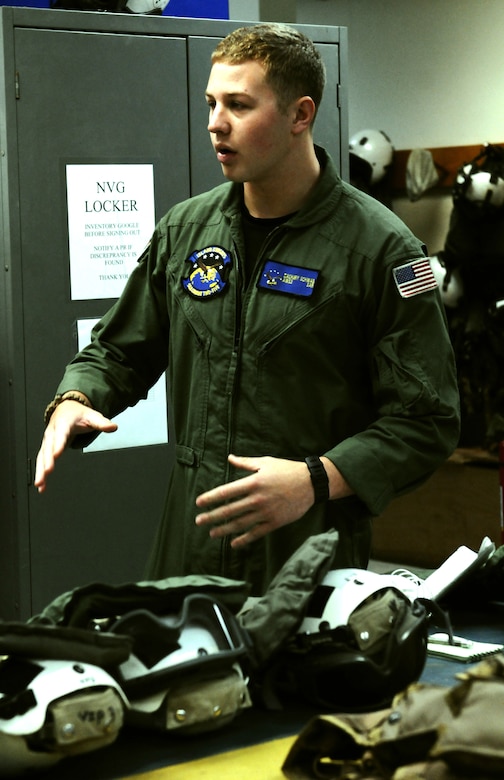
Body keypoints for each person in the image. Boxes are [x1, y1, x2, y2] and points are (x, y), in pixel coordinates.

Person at [34, 23, 460, 596]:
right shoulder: (187, 230)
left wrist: (315, 480)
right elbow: (120, 348)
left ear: (300, 115)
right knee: (185, 683)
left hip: (308, 553)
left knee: (291, 686)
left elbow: (426, 420)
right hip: (190, 543)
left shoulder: (377, 250)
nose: (215, 123)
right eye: (211, 103)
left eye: (238, 104)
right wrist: (76, 398)